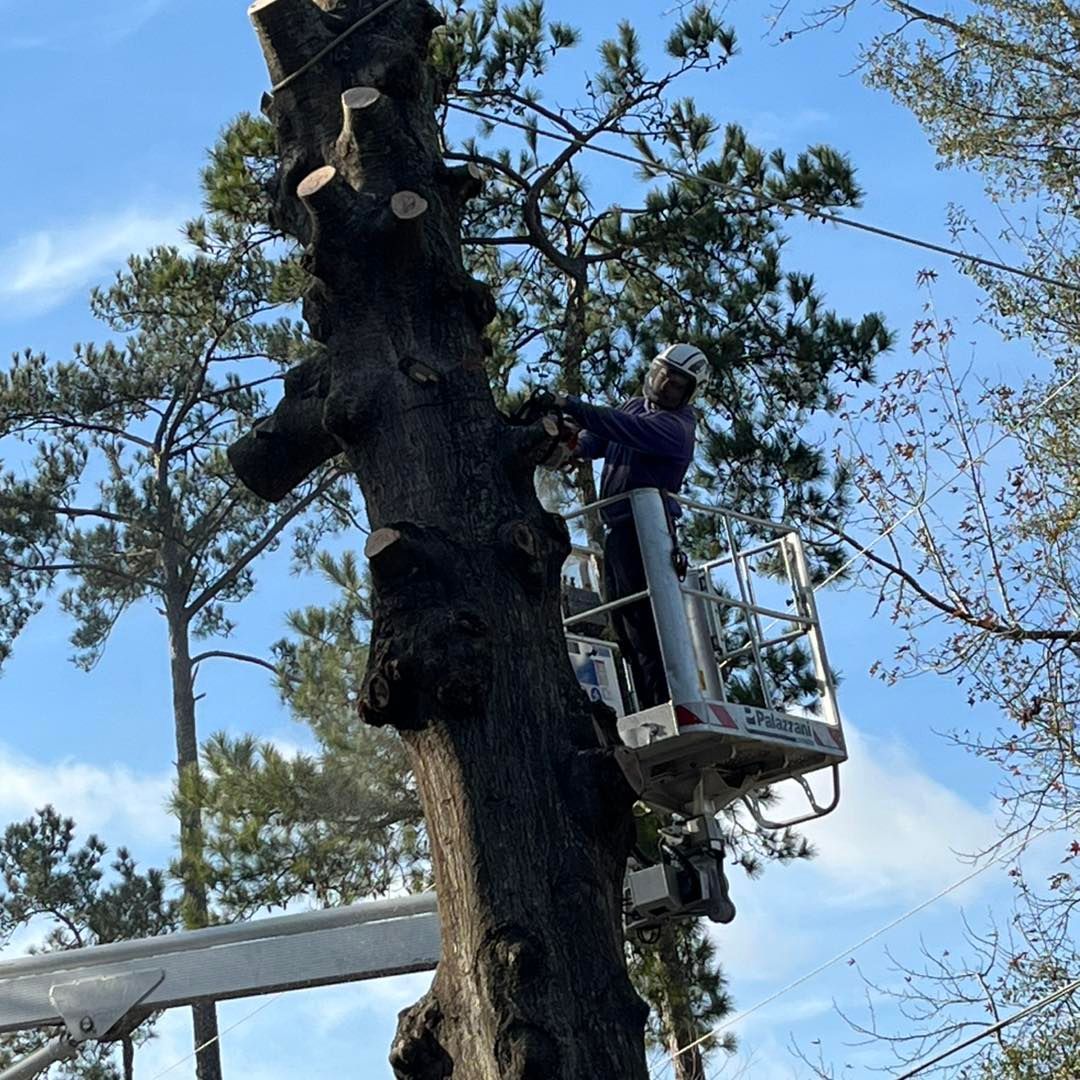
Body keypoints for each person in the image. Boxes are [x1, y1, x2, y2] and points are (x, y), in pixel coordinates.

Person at [552, 344, 708, 710]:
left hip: (648, 532)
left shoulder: (676, 428)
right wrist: (571, 446)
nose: (662, 386)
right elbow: (599, 440)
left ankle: (662, 700)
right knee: (623, 622)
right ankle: (643, 700)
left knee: (645, 624)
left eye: (674, 386)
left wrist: (570, 405)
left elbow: (621, 428)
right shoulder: (636, 406)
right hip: (618, 530)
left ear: (687, 394)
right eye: (661, 377)